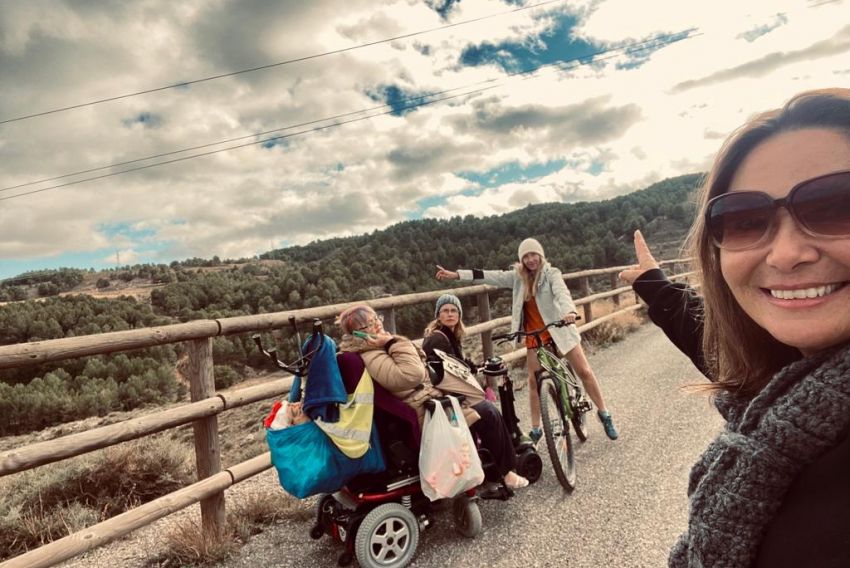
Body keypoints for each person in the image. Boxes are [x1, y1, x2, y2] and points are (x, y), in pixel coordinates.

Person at [619, 88, 850, 567]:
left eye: (835, 206)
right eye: (745, 220)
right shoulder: (790, 387)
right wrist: (655, 286)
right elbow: (738, 355)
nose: (786, 254)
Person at [435, 238, 619, 441]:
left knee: (584, 371)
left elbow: (562, 294)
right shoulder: (517, 277)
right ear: (521, 260)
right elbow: (488, 276)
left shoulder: (551, 274)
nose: (531, 260)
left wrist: (569, 312)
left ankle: (604, 413)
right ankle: (536, 428)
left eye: (534, 255)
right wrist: (456, 275)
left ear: (541, 256)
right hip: (535, 336)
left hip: (560, 330)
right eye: (526, 256)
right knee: (534, 381)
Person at [336, 303, 529, 490]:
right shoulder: (372, 355)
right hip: (425, 410)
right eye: (369, 324)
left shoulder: (374, 348)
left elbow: (419, 360)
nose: (378, 324)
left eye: (376, 318)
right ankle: (506, 472)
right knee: (487, 411)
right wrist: (393, 342)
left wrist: (392, 343)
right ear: (358, 333)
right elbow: (413, 374)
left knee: (478, 404)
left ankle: (491, 466)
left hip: (424, 400)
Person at [421, 293, 527, 490]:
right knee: (489, 412)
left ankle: (495, 468)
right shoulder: (438, 339)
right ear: (438, 315)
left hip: (449, 393)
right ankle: (507, 472)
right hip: (449, 396)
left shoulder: (448, 336)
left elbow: (457, 363)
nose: (450, 314)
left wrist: (477, 365)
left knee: (489, 410)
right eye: (445, 311)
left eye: (454, 311)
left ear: (459, 315)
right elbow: (450, 371)